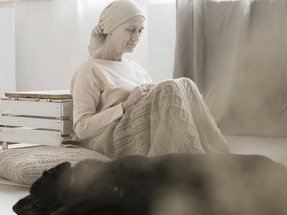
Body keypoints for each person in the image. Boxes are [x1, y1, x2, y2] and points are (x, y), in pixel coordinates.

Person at [71, 0, 230, 159]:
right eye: (131, 30)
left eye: (140, 30)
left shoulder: (136, 68)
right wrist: (125, 105)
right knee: (169, 88)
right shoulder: (89, 70)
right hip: (114, 138)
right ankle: (190, 161)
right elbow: (82, 128)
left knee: (186, 84)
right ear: (110, 30)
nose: (136, 37)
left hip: (144, 129)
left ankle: (214, 156)